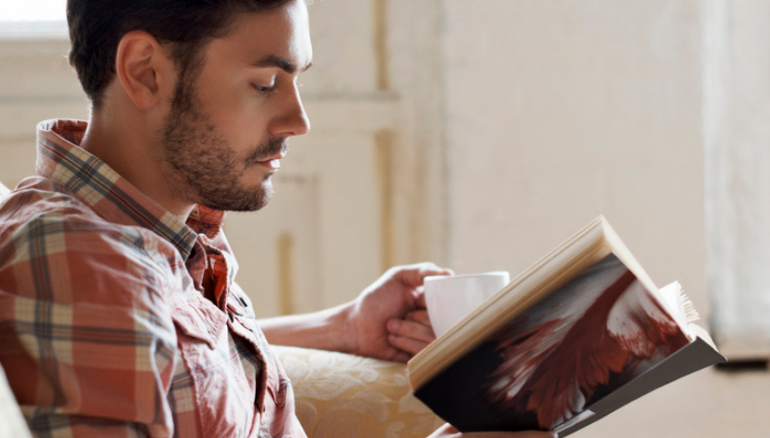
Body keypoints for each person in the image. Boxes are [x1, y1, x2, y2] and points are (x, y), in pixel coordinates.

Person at [0, 1, 556, 437]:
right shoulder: (79, 260)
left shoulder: (157, 239)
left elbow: (169, 358)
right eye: (265, 84)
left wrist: (342, 329)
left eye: (297, 81)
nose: (299, 120)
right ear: (146, 72)